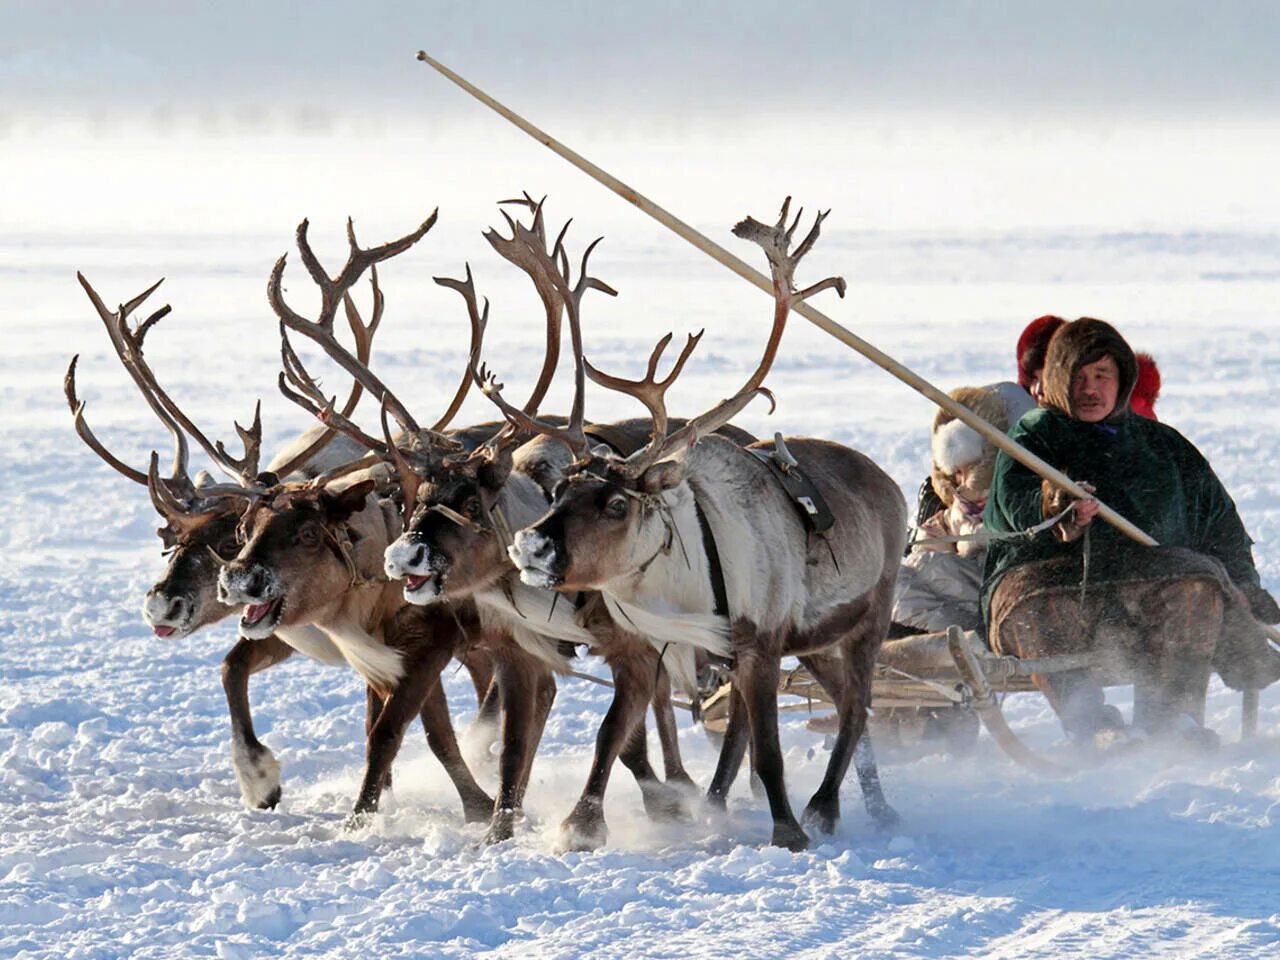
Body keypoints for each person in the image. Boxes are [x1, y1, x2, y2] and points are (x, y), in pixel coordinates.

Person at [981, 317, 1280, 748]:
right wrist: (1054, 508)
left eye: (1102, 375)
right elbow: (1010, 507)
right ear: (1059, 380)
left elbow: (1220, 526)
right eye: (1079, 376)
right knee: (1036, 607)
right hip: (1053, 583)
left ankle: (1172, 722)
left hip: (1144, 589)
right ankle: (1092, 726)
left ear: (1122, 379)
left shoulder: (1164, 446)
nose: (1090, 388)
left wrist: (1244, 586)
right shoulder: (1032, 436)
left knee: (1197, 584)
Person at [893, 383, 1033, 633]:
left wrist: (974, 540)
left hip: (996, 596)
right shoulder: (955, 511)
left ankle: (966, 642)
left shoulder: (1014, 500)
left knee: (912, 576)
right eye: (954, 472)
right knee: (890, 580)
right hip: (959, 604)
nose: (961, 479)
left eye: (969, 467)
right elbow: (931, 542)